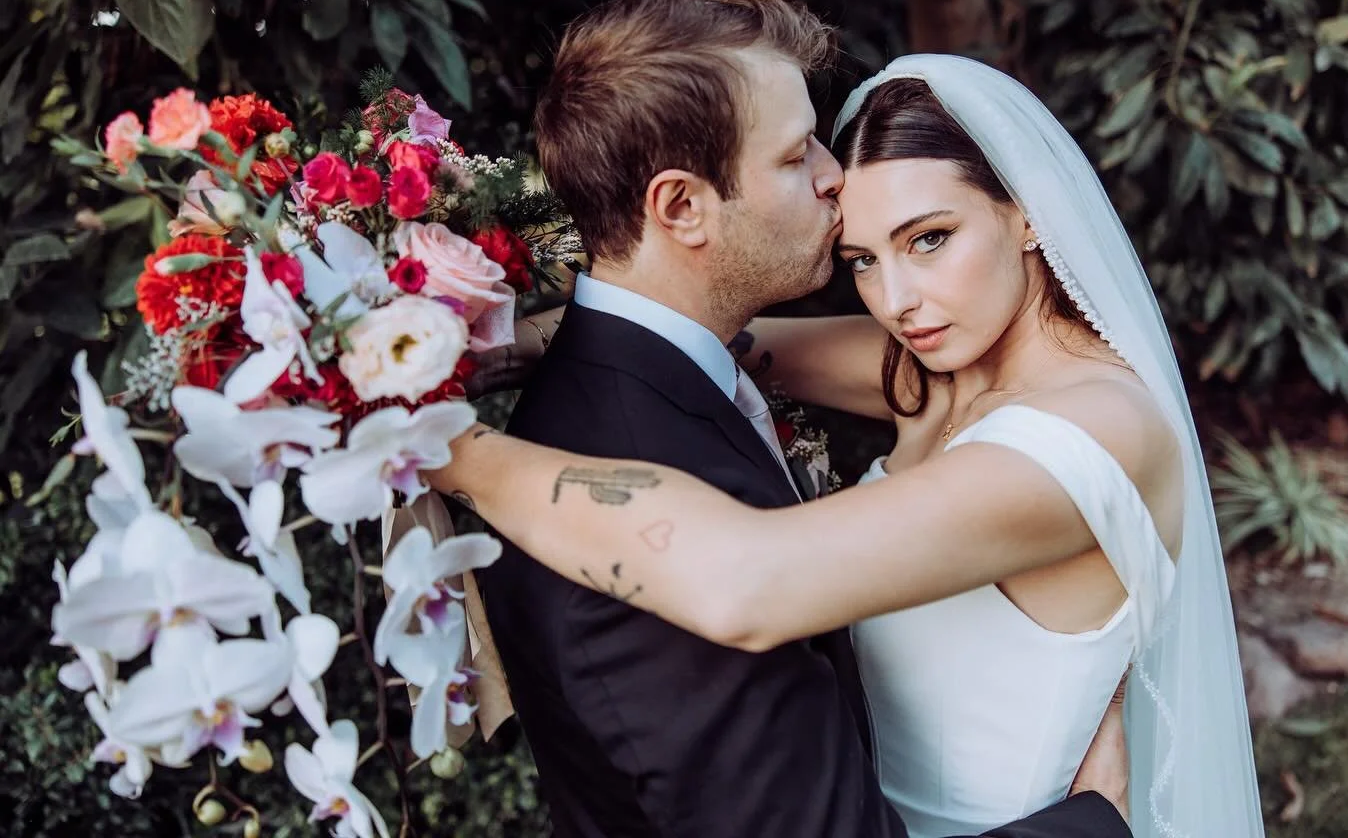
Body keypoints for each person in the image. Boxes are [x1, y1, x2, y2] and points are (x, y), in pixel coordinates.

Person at [431, 47, 1266, 837]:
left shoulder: (1091, 435)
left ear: (1025, 216)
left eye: (930, 239)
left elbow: (748, 581)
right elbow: (705, 332)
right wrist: (475, 351)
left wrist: (447, 448)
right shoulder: (936, 369)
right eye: (863, 258)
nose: (897, 299)